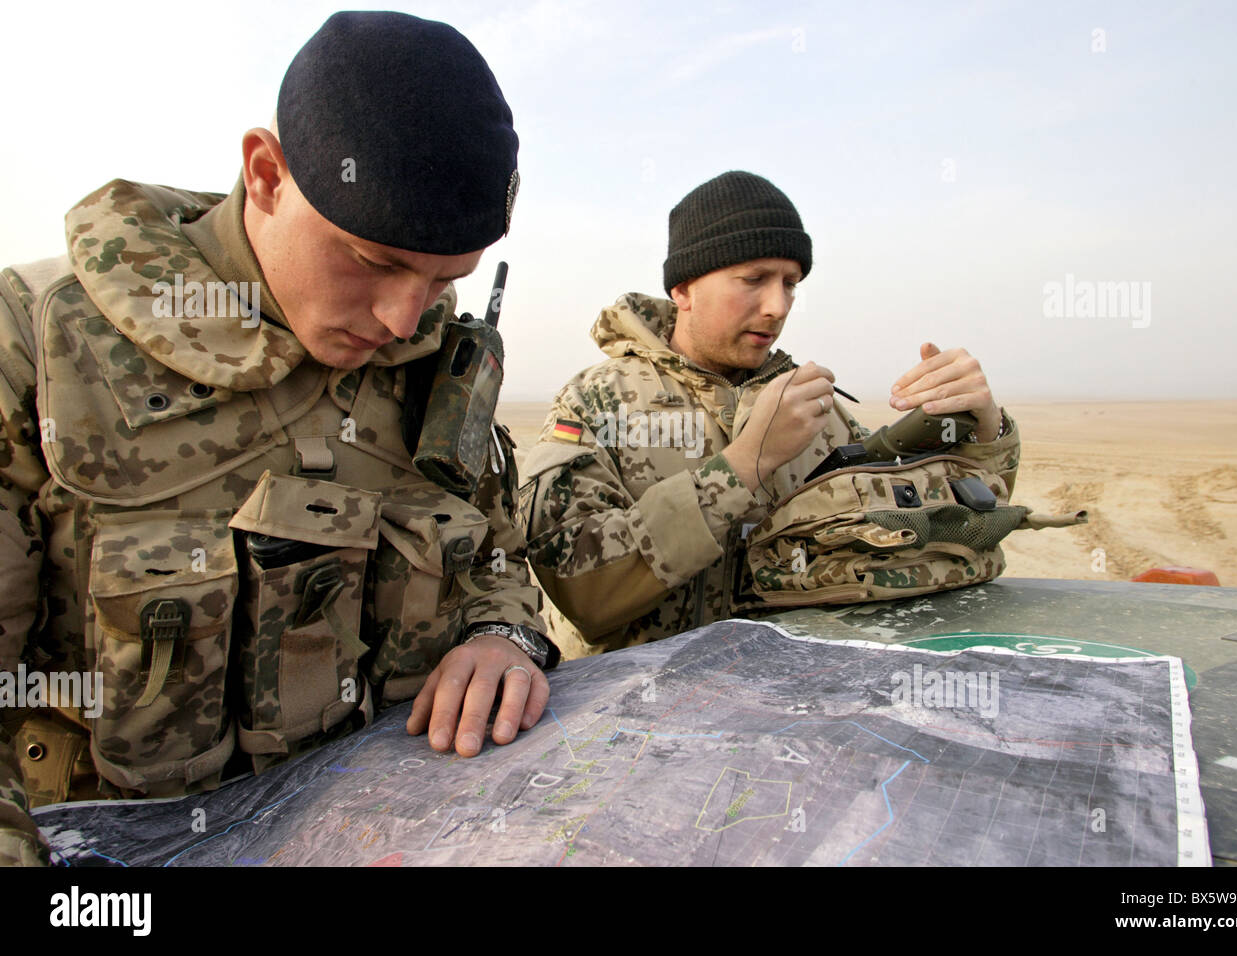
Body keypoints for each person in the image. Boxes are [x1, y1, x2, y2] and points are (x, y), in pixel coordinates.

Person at [0, 11, 557, 867]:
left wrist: (503, 637)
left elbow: (494, 559)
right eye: (373, 262)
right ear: (266, 173)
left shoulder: (438, 367)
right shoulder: (33, 346)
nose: (401, 316)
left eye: (447, 279)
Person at [521, 170, 1020, 658]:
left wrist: (982, 426)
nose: (778, 306)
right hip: (630, 721)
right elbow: (581, 594)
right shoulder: (596, 404)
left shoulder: (815, 409)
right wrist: (742, 467)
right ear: (684, 289)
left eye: (791, 283)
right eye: (754, 279)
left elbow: (953, 530)